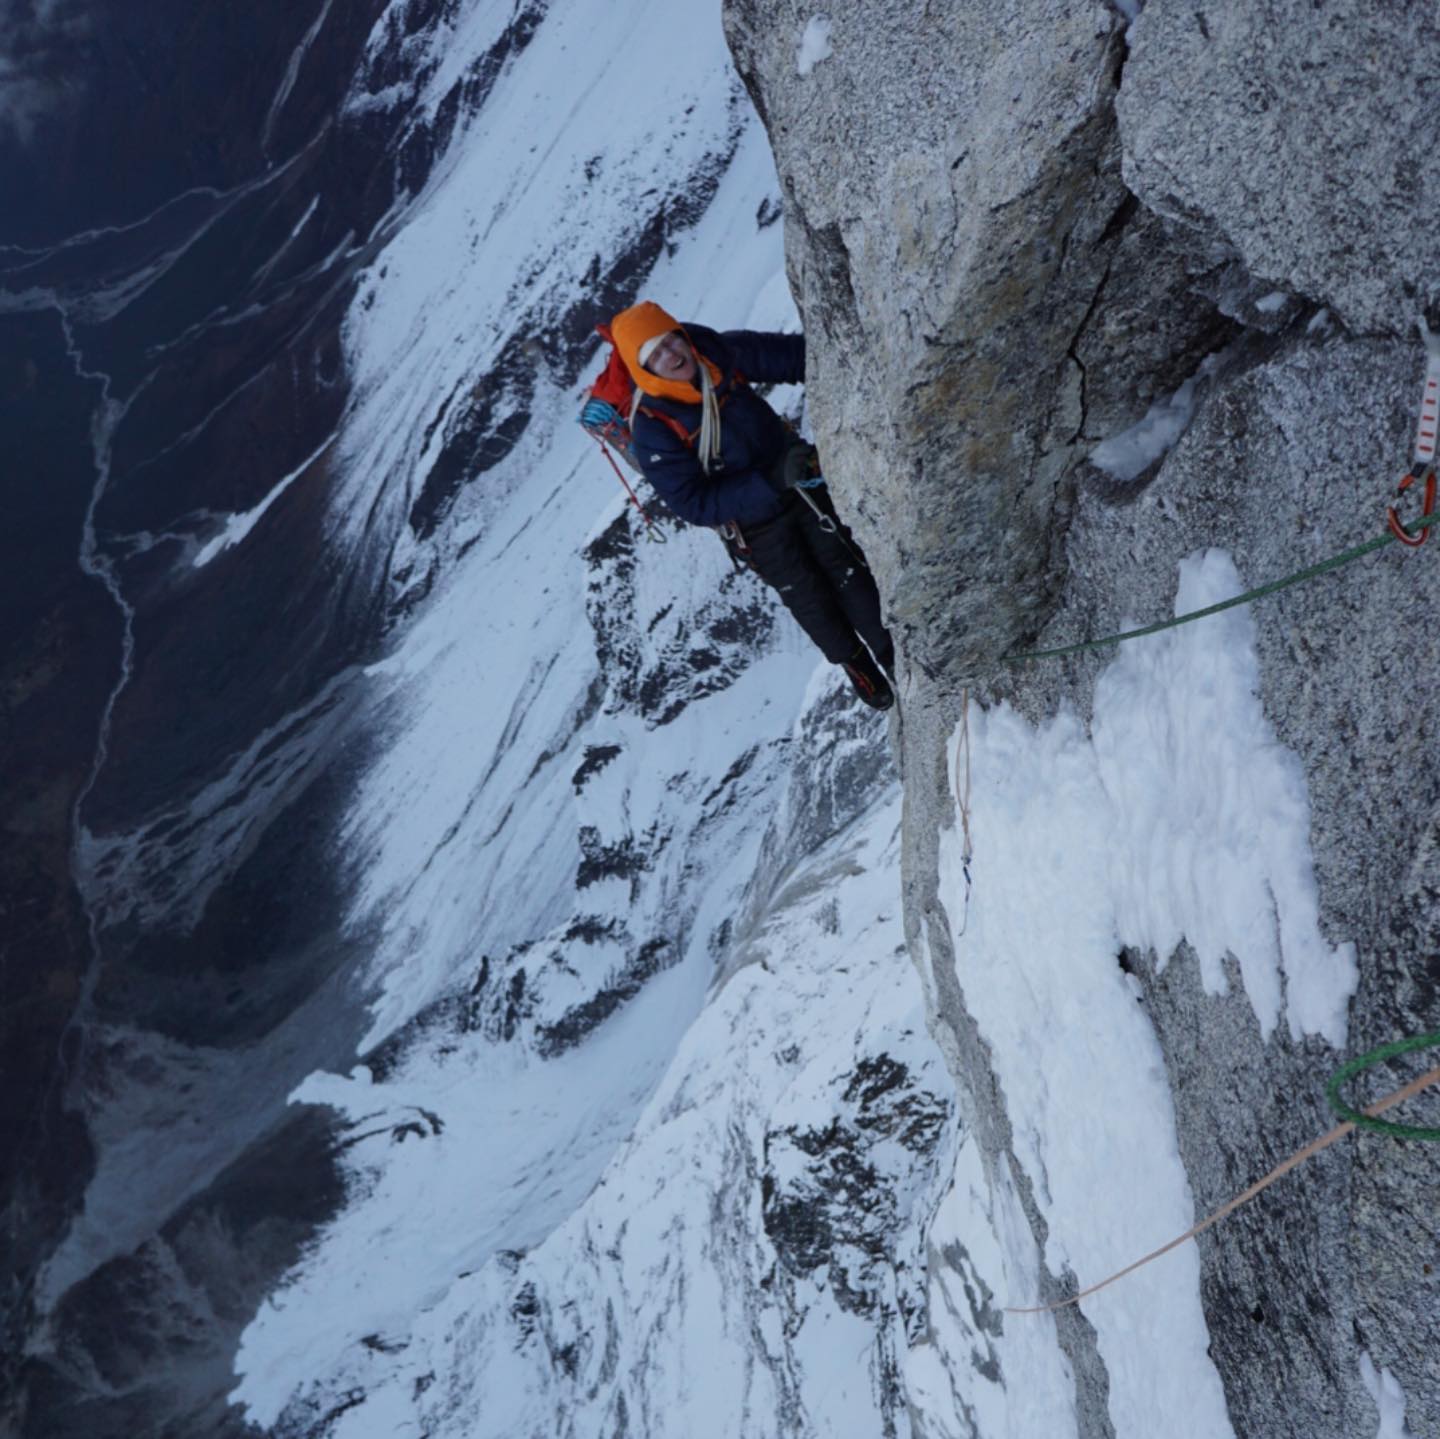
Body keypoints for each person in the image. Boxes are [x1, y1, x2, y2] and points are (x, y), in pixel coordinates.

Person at [609, 300, 895, 709]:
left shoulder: (720, 355)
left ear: (682, 334)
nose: (671, 355)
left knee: (852, 579)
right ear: (642, 369)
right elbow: (692, 503)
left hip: (802, 489)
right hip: (757, 523)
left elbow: (800, 358)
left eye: (670, 340)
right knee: (812, 604)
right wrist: (770, 480)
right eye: (655, 354)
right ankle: (856, 665)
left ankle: (895, 659)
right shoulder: (653, 428)